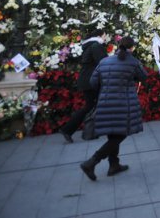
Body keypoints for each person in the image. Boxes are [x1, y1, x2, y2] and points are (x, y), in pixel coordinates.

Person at [80, 37, 147, 181]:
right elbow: (143, 77)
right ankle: (92, 162)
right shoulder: (133, 62)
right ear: (132, 48)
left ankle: (114, 165)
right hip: (124, 104)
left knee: (113, 133)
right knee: (121, 133)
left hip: (105, 103)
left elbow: (93, 82)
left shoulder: (104, 62)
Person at [59, 29, 108, 143]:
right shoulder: (96, 46)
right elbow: (104, 62)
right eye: (105, 35)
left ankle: (89, 132)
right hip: (91, 80)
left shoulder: (91, 45)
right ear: (99, 36)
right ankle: (68, 129)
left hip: (87, 79)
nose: (106, 38)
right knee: (90, 106)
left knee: (92, 105)